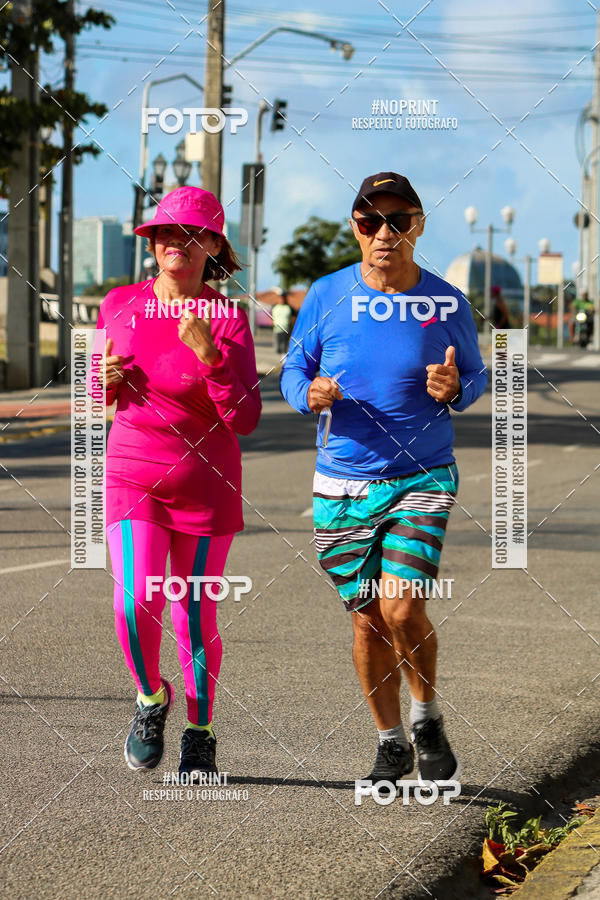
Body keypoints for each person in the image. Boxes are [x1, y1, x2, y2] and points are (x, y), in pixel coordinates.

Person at [280, 172, 487, 787]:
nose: (384, 233)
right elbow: (294, 369)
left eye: (398, 220)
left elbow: (476, 377)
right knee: (367, 617)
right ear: (356, 228)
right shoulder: (325, 295)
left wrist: (458, 389)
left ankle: (425, 716)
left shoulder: (446, 301)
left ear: (419, 225)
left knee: (401, 607)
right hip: (340, 479)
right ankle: (390, 740)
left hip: (422, 473)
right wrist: (306, 394)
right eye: (370, 222)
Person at [91, 186, 261, 781]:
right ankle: (149, 698)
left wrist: (211, 355)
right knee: (135, 602)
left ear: (213, 245)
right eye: (167, 234)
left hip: (206, 486)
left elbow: (244, 417)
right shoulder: (118, 304)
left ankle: (200, 730)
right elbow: (93, 397)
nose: (177, 245)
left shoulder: (228, 318)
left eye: (193, 235)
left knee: (193, 615)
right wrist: (101, 384)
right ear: (153, 244)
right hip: (133, 475)